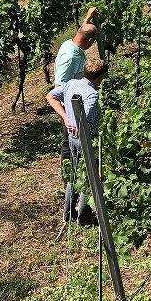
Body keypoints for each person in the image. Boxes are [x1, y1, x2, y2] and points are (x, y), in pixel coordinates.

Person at [46, 60, 108, 224]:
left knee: (73, 176)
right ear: (100, 76)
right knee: (89, 178)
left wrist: (65, 117)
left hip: (71, 138)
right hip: (86, 141)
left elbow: (51, 96)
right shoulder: (92, 95)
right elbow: (83, 121)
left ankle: (67, 213)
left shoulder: (72, 83)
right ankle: (83, 217)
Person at [53, 7, 99, 177]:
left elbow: (82, 31)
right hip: (71, 111)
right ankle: (69, 180)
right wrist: (66, 118)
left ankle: (81, 173)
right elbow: (57, 90)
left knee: (80, 144)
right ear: (90, 41)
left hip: (79, 105)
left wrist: (87, 18)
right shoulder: (69, 58)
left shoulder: (70, 43)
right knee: (69, 144)